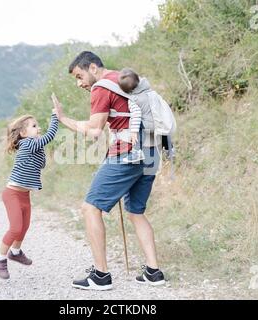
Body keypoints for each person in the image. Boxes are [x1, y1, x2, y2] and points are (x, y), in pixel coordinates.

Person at [52, 51, 165, 290]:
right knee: (135, 211)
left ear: (93, 67)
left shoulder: (101, 87)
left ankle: (101, 275)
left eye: (79, 76)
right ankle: (154, 272)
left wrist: (64, 119)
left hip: (128, 153)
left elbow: (94, 130)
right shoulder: (123, 79)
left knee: (90, 208)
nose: (79, 83)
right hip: (152, 150)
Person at [0, 110, 58, 280]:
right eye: (34, 126)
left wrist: (41, 147)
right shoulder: (27, 144)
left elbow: (42, 164)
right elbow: (50, 135)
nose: (39, 128)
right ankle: (0, 259)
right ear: (23, 133)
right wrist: (55, 117)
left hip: (24, 196)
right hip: (12, 194)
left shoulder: (35, 146)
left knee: (24, 227)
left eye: (38, 125)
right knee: (15, 228)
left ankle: (15, 252)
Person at [118, 68, 145, 164]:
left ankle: (137, 152)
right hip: (157, 118)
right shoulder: (146, 89)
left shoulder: (133, 100)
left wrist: (133, 131)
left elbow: (136, 115)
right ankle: (169, 148)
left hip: (146, 121)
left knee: (138, 134)